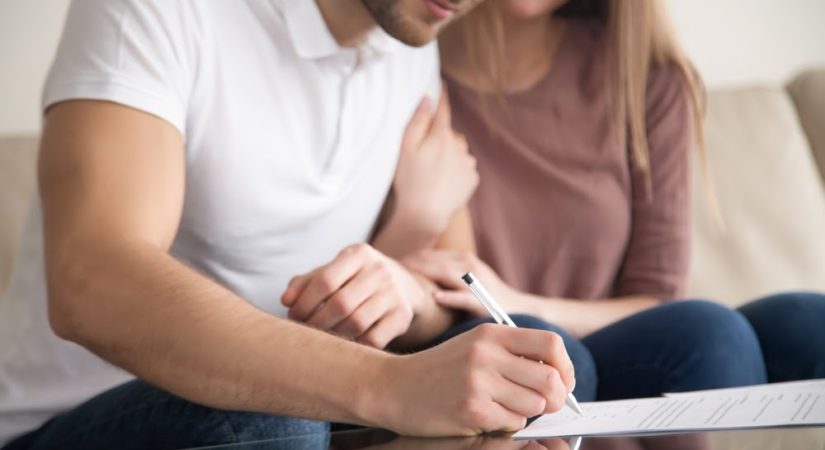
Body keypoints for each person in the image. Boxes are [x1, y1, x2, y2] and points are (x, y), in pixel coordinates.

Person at [0, 0, 580, 448]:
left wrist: (405, 277)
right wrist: (387, 386)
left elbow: (452, 286)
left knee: (534, 367)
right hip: (76, 418)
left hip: (311, 406)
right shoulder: (162, 12)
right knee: (272, 419)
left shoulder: (412, 40)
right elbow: (93, 284)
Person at [398, 0, 797, 405]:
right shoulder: (406, 66)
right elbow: (440, 277)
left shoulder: (643, 76)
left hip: (608, 351)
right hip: (481, 344)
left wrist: (517, 302)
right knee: (561, 361)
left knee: (797, 325)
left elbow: (659, 299)